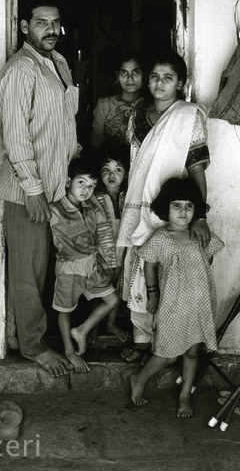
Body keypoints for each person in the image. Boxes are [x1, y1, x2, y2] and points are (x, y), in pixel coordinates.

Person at [0, 0, 79, 377]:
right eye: (41, 22)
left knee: (49, 268)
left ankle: (34, 337)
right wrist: (32, 189)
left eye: (55, 22)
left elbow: (61, 122)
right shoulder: (20, 70)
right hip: (27, 192)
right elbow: (15, 135)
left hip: (55, 188)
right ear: (25, 26)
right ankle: (32, 346)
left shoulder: (58, 62)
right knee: (30, 271)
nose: (51, 29)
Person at [117, 51, 211, 364]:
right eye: (155, 76)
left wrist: (199, 216)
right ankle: (142, 339)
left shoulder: (188, 116)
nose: (159, 83)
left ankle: (167, 341)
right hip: (138, 203)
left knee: (169, 275)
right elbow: (136, 160)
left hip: (173, 209)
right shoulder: (139, 111)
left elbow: (197, 168)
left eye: (167, 78)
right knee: (139, 269)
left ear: (180, 83)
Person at [130, 178, 224, 417]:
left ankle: (184, 396)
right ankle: (139, 380)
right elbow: (150, 267)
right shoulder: (161, 238)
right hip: (172, 305)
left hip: (199, 304)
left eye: (189, 206)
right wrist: (153, 295)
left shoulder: (201, 236)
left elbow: (208, 260)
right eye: (177, 205)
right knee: (168, 354)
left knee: (192, 352)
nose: (183, 211)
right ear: (166, 208)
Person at [50, 158, 119, 373]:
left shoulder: (89, 208)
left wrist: (95, 201)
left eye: (90, 186)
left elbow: (102, 221)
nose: (86, 190)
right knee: (65, 311)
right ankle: (69, 351)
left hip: (92, 265)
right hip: (70, 269)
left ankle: (82, 330)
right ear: (68, 181)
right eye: (81, 183)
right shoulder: (55, 209)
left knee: (112, 300)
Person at [94, 141, 130, 341]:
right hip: (101, 254)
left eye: (118, 169)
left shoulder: (129, 196)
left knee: (116, 289)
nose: (111, 175)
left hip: (122, 253)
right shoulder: (95, 197)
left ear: (126, 173)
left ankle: (110, 324)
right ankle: (94, 325)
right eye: (106, 170)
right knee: (98, 290)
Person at [92, 50, 146, 151]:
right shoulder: (105, 105)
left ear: (144, 75)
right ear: (117, 76)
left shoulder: (150, 105)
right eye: (124, 72)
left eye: (136, 72)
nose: (130, 78)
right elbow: (96, 144)